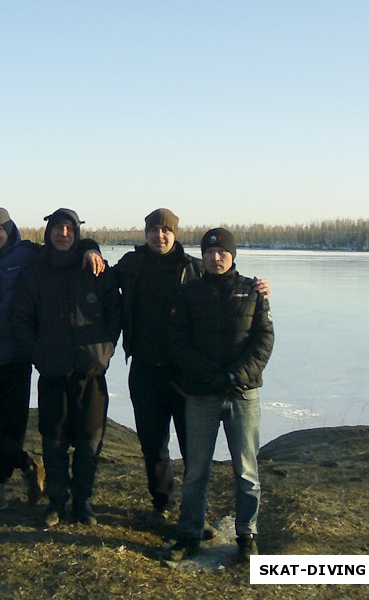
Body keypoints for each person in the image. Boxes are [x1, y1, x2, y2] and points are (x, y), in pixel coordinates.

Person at [113, 208, 269, 532]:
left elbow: (223, 291)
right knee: (152, 443)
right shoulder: (132, 265)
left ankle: (196, 512)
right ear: (146, 234)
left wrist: (259, 289)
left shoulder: (192, 268)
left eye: (166, 230)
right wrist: (88, 250)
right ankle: (162, 502)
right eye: (154, 230)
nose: (160, 236)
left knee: (192, 446)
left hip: (185, 373)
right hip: (144, 368)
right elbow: (102, 278)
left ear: (175, 234)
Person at [0, 207, 106, 512]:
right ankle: (26, 463)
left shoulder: (27, 255)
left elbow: (64, 245)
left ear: (11, 231)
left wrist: (91, 247)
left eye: (0, 228)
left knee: (13, 427)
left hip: (14, 358)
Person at [167, 227, 274, 563]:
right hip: (201, 395)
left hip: (243, 394)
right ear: (203, 256)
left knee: (246, 470)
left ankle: (247, 535)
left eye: (222, 252)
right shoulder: (189, 293)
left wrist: (233, 375)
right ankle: (189, 534)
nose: (215, 258)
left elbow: (263, 341)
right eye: (209, 253)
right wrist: (207, 375)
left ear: (232, 255)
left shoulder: (252, 291)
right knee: (196, 470)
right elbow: (178, 342)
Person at [13, 208, 122, 527]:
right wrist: (38, 354)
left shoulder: (94, 269)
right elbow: (22, 318)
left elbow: (114, 310)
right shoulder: (35, 273)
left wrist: (105, 349)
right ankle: (57, 502)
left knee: (90, 441)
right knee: (54, 441)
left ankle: (83, 501)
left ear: (76, 234)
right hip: (52, 372)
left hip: (91, 371)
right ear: (49, 233)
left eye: (69, 229)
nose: (63, 234)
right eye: (57, 229)